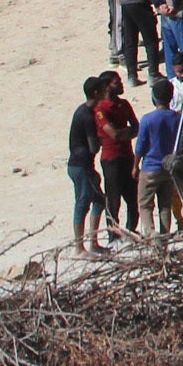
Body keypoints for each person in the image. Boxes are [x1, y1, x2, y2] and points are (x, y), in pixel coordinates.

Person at [134, 79, 183, 235]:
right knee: (165, 205)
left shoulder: (147, 119)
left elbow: (140, 146)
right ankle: (164, 237)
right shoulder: (179, 118)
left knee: (145, 204)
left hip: (150, 167)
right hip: (169, 168)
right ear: (171, 97)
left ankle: (151, 233)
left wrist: (135, 166)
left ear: (154, 98)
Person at [68, 76, 114, 255]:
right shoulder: (87, 115)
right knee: (83, 202)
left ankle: (92, 243)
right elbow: (93, 146)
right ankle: (80, 248)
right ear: (96, 93)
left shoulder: (83, 111)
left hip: (81, 165)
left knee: (98, 200)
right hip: (81, 166)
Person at [96, 76, 141, 234]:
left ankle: (131, 230)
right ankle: (113, 234)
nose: (121, 85)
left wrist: (123, 133)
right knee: (113, 199)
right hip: (111, 158)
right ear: (107, 86)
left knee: (132, 197)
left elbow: (136, 127)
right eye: (116, 82)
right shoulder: (101, 108)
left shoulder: (124, 104)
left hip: (127, 155)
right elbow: (113, 134)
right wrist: (125, 132)